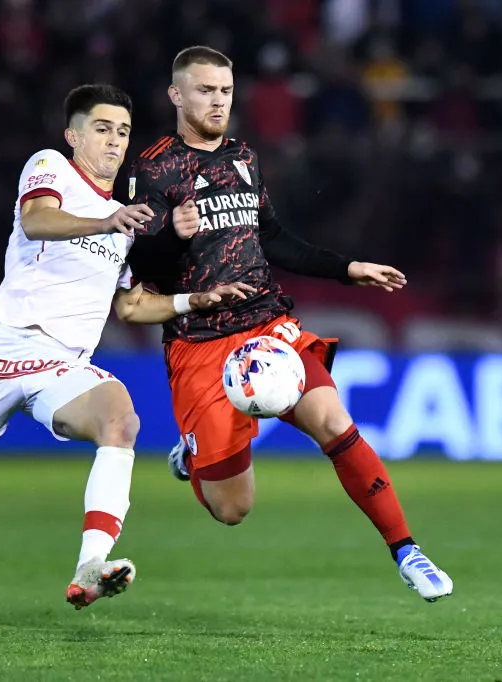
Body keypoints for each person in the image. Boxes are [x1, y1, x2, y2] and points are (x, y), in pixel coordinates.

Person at [0, 83, 255, 612]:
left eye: (123, 132)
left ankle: (91, 565)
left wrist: (191, 300)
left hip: (61, 366)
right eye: (102, 129)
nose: (114, 142)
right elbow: (35, 219)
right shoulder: (52, 169)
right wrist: (103, 221)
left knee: (120, 421)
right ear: (73, 135)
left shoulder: (129, 217)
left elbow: (130, 307)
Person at [127, 47, 453, 601]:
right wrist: (169, 237)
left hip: (266, 324)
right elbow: (140, 272)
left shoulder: (244, 157)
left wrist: (348, 269)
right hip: (200, 342)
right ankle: (193, 455)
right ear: (176, 95)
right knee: (233, 509)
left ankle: (407, 551)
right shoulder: (153, 168)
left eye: (226, 91)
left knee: (333, 421)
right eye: (205, 90)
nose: (218, 101)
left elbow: (272, 239)